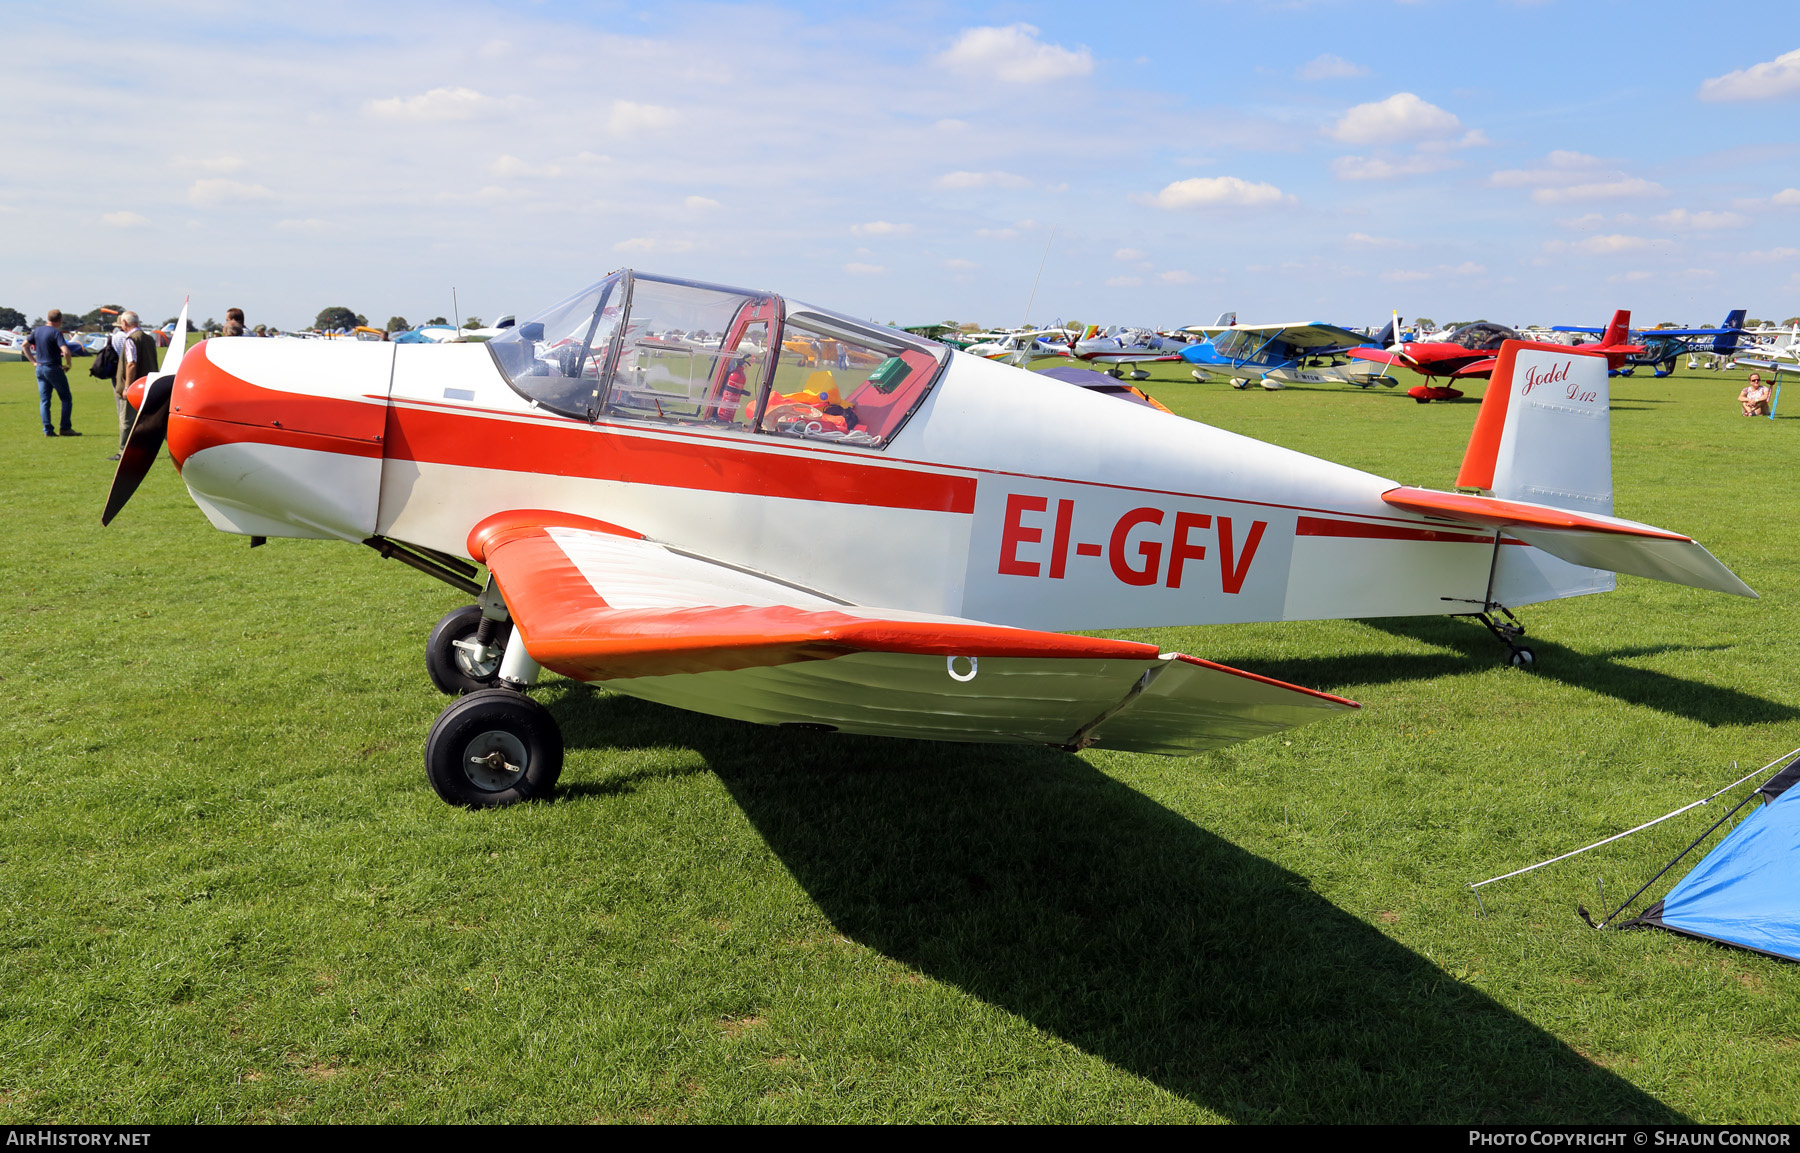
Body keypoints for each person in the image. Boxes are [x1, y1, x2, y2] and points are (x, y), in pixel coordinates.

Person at [109, 311, 160, 459]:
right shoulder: (149, 338)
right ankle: (147, 448)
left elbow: (131, 363)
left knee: (126, 420)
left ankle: (123, 451)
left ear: (124, 323)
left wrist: (127, 387)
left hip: (135, 388)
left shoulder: (131, 339)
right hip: (149, 385)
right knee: (147, 419)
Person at [24, 308, 78, 437]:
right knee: (66, 398)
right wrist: (68, 364)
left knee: (44, 401)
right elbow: (65, 351)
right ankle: (65, 428)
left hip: (40, 368)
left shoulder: (38, 330)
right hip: (53, 367)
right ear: (59, 320)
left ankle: (48, 430)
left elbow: (24, 345)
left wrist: (33, 361)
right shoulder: (56, 332)